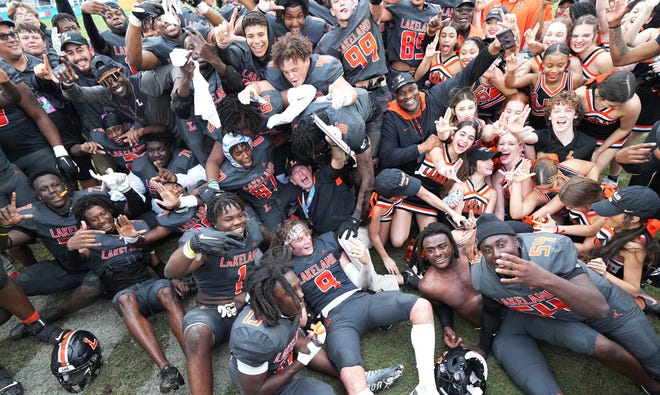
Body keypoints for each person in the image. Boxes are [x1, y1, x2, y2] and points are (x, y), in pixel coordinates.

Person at [470, 213, 660, 395]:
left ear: (516, 240)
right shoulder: (482, 276)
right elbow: (491, 310)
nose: (496, 254)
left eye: (502, 244)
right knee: (603, 347)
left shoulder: (551, 251)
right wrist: (483, 346)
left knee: (653, 357)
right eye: (487, 249)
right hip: (558, 315)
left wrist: (543, 278)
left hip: (606, 304)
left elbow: (599, 309)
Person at [273, 219, 439, 395]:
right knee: (350, 375)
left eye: (306, 234)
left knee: (422, 307)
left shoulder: (327, 242)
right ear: (289, 246)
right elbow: (302, 317)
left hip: (361, 299)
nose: (307, 240)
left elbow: (361, 283)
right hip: (335, 318)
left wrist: (366, 263)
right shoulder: (287, 268)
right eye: (299, 239)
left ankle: (427, 387)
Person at [66, 194, 186, 393]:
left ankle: (193, 352)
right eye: (94, 218)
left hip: (150, 287)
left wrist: (172, 277)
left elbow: (154, 261)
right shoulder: (90, 241)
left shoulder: (129, 227)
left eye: (103, 214)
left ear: (110, 211)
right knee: (126, 299)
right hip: (126, 295)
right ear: (87, 223)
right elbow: (76, 263)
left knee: (165, 289)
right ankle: (166, 369)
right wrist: (70, 249)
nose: (101, 220)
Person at [164, 192, 265, 395]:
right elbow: (170, 272)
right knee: (195, 335)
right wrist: (193, 247)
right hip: (213, 309)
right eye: (228, 219)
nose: (238, 222)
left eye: (240, 215)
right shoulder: (205, 241)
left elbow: (270, 245)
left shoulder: (252, 228)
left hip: (248, 303)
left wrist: (247, 296)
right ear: (214, 224)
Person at [229, 257, 336, 395]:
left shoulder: (288, 307)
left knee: (325, 392)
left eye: (298, 286)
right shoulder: (253, 337)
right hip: (263, 382)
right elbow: (255, 392)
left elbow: (289, 335)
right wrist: (299, 363)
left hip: (279, 362)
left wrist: (307, 345)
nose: (301, 294)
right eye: (290, 292)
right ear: (271, 300)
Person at [586, 186, 660, 315]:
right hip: (603, 270)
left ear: (634, 219)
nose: (606, 213)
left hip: (615, 282)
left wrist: (604, 274)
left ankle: (644, 302)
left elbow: (633, 289)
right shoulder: (618, 223)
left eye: (614, 210)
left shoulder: (633, 247)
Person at [409, 222, 481, 348]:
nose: (437, 253)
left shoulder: (470, 252)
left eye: (442, 246)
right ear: (424, 252)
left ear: (452, 245)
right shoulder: (428, 285)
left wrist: (478, 230)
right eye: (430, 250)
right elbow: (441, 306)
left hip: (511, 307)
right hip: (486, 326)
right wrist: (447, 326)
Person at [504, 43, 582, 130]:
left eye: (560, 66)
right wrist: (511, 71)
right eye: (549, 66)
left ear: (567, 65)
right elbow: (511, 84)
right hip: (537, 126)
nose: (554, 70)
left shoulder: (574, 79)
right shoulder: (535, 78)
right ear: (543, 64)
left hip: (563, 125)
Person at [527, 91, 597, 161]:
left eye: (568, 111)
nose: (562, 115)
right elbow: (526, 137)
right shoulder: (540, 137)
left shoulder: (589, 143)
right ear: (549, 116)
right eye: (557, 111)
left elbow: (589, 168)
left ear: (576, 115)